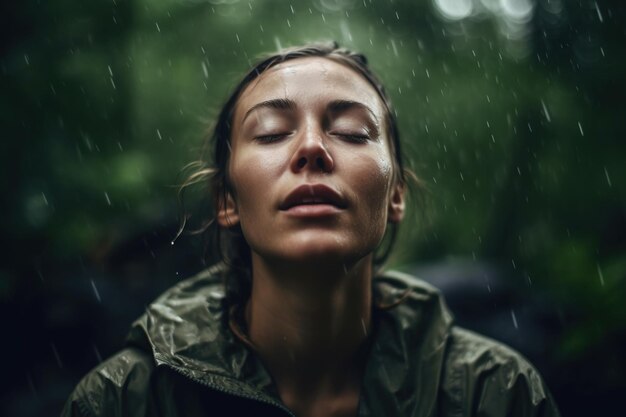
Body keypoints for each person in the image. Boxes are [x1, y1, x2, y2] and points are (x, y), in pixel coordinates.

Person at [61, 42, 561, 417]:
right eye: (273, 132)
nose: (312, 148)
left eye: (350, 132)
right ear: (227, 201)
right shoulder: (124, 401)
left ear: (395, 195)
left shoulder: (496, 396)